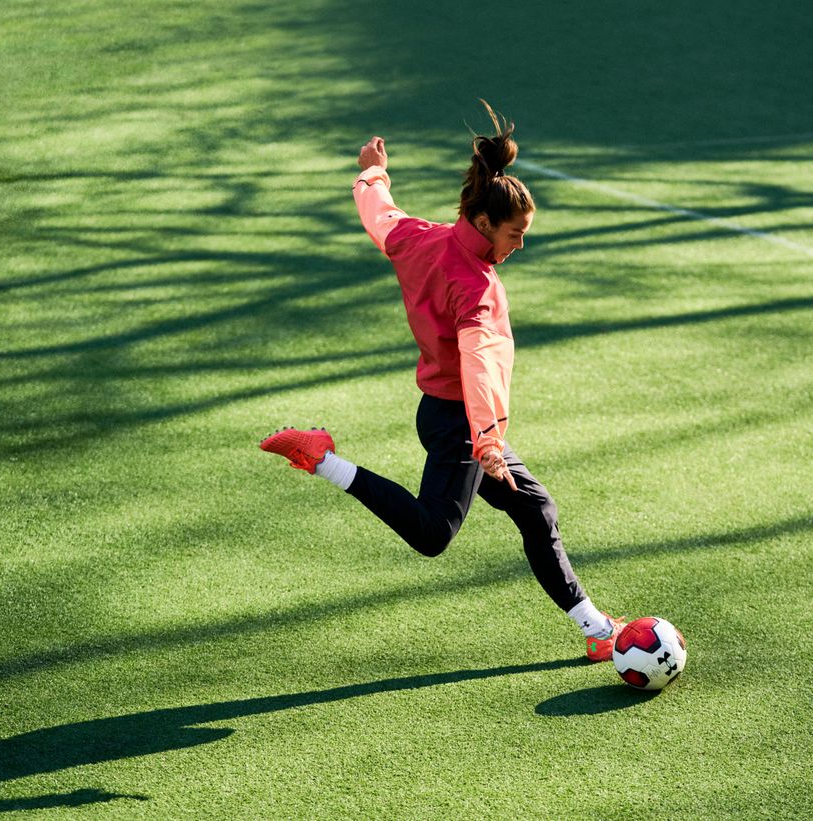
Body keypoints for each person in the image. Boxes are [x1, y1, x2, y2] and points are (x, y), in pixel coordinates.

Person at [260, 103, 624, 660]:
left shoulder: (421, 239)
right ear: (484, 223)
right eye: (514, 234)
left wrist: (371, 174)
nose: (519, 246)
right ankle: (323, 458)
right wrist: (489, 443)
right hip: (461, 423)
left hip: (443, 412)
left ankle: (596, 629)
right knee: (433, 535)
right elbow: (480, 368)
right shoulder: (477, 288)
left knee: (536, 510)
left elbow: (379, 216)